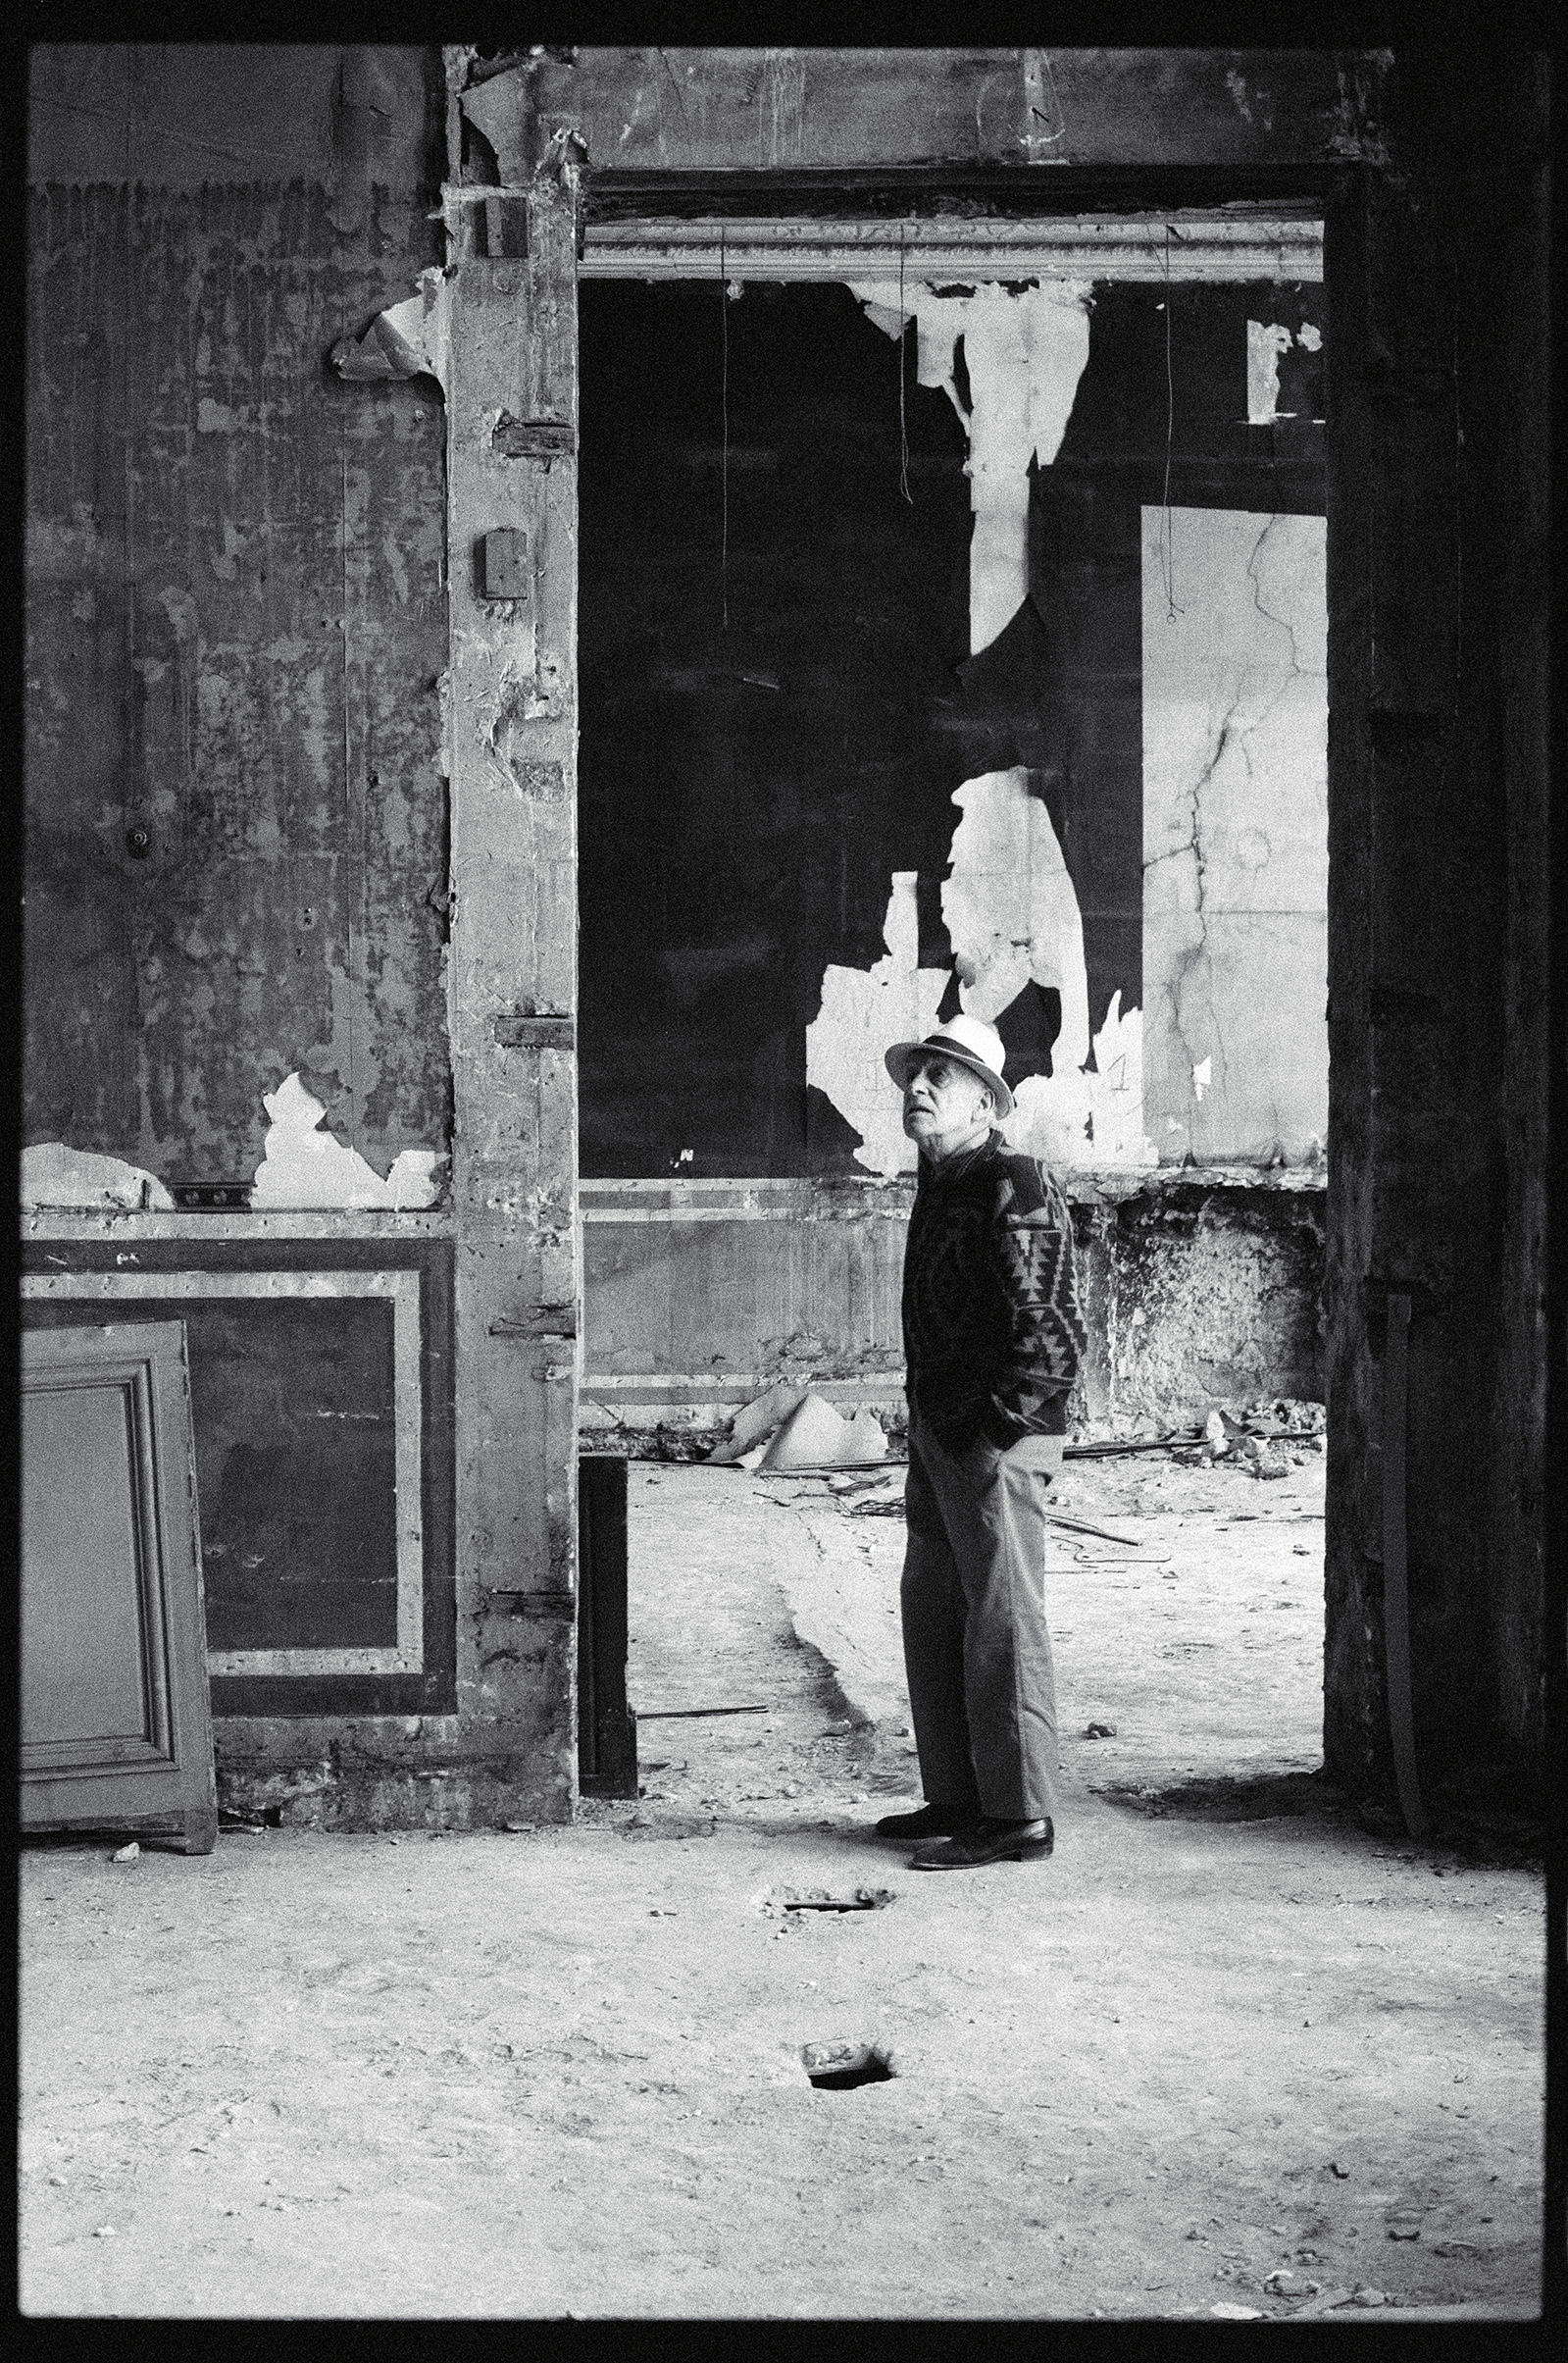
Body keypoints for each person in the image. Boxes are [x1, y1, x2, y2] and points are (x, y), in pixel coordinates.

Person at [873, 1012, 1087, 1870]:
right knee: (935, 1606)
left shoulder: (1014, 1179)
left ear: (984, 1102)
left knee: (1001, 1616)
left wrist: (993, 1432)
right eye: (916, 1077)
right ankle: (959, 1795)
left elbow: (1055, 1336)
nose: (918, 1090)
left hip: (996, 1435)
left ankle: (1019, 1814)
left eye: (940, 1079)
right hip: (941, 1426)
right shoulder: (942, 1178)